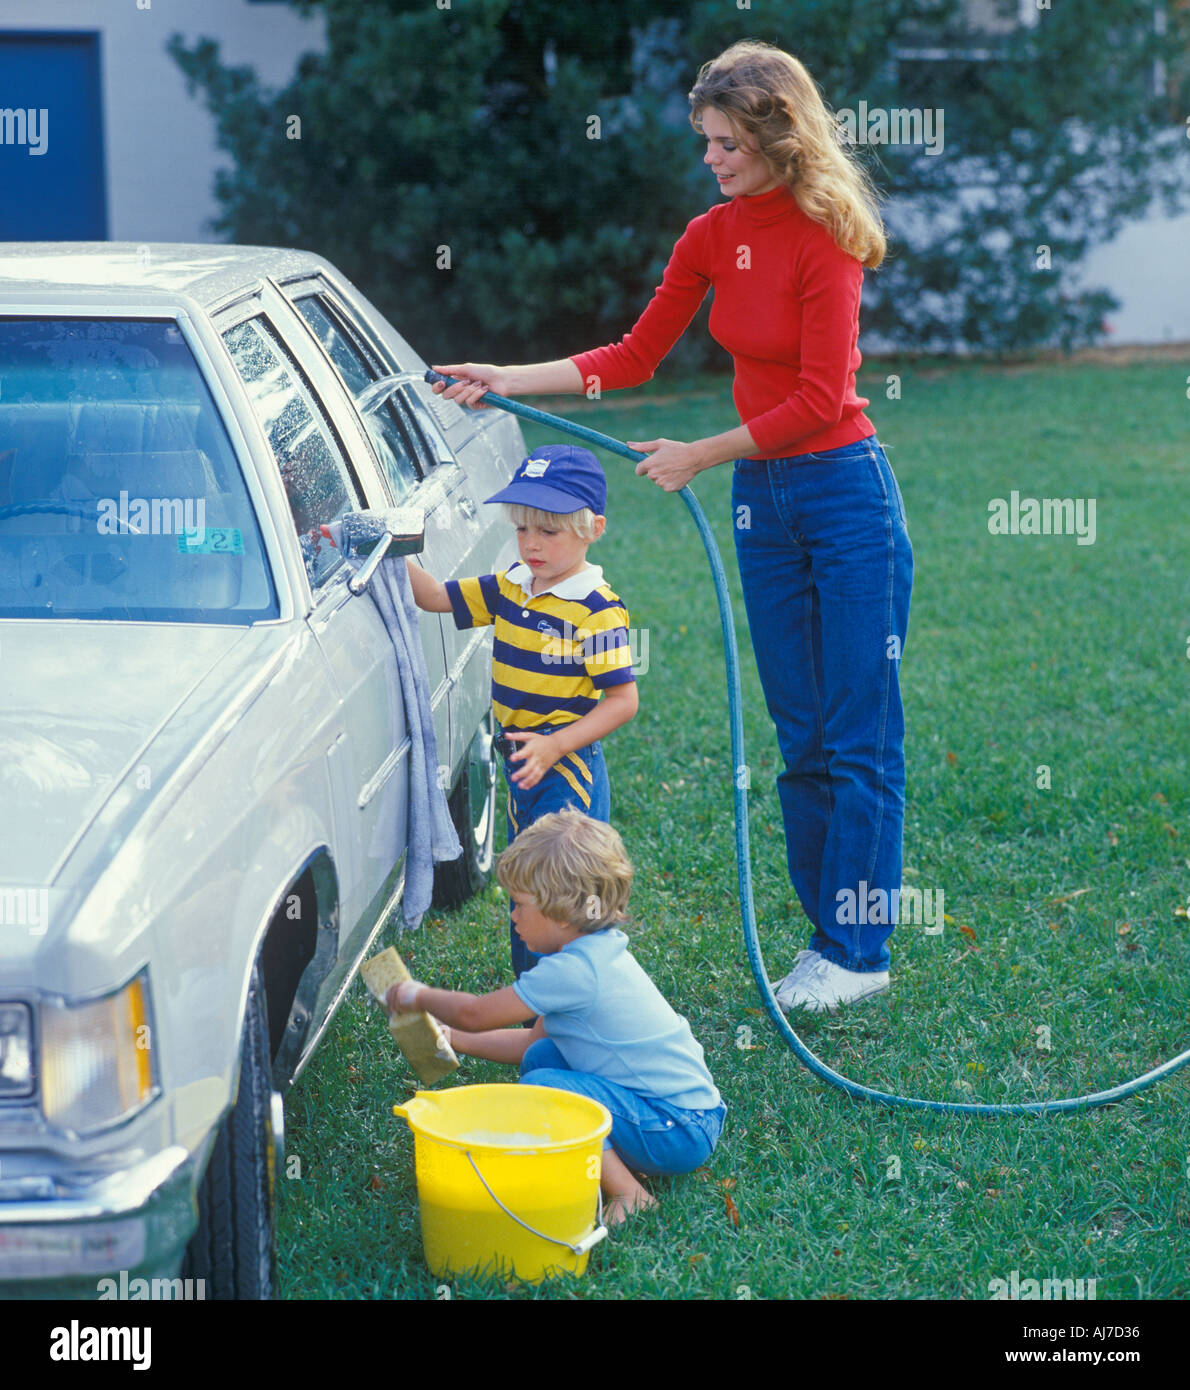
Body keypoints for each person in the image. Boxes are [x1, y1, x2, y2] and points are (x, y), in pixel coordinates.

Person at [430, 40, 912, 1014]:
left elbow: (822, 399)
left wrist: (699, 451)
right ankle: (827, 942)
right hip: (762, 504)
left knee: (857, 734)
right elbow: (634, 355)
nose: (711, 158)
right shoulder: (708, 237)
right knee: (799, 732)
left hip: (842, 493)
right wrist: (503, 378)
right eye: (705, 141)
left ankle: (856, 951)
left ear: (777, 133)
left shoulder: (825, 239)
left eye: (727, 141)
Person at [385, 808, 726, 1224]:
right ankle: (617, 1156)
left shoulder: (573, 973)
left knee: (544, 1088)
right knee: (540, 1059)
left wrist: (418, 995)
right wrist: (454, 1039)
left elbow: (476, 1012)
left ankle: (631, 1194)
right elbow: (531, 1043)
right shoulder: (590, 955)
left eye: (521, 904)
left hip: (679, 1129)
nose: (512, 916)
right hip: (683, 1116)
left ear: (563, 913)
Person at [404, 444, 638, 978]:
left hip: (564, 768)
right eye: (523, 529)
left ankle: (573, 999)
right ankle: (534, 1001)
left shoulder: (596, 610)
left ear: (592, 528)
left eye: (548, 532)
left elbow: (624, 701)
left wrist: (555, 744)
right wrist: (392, 549)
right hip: (519, 762)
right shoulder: (512, 586)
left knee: (563, 893)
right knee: (526, 891)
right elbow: (437, 596)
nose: (531, 544)